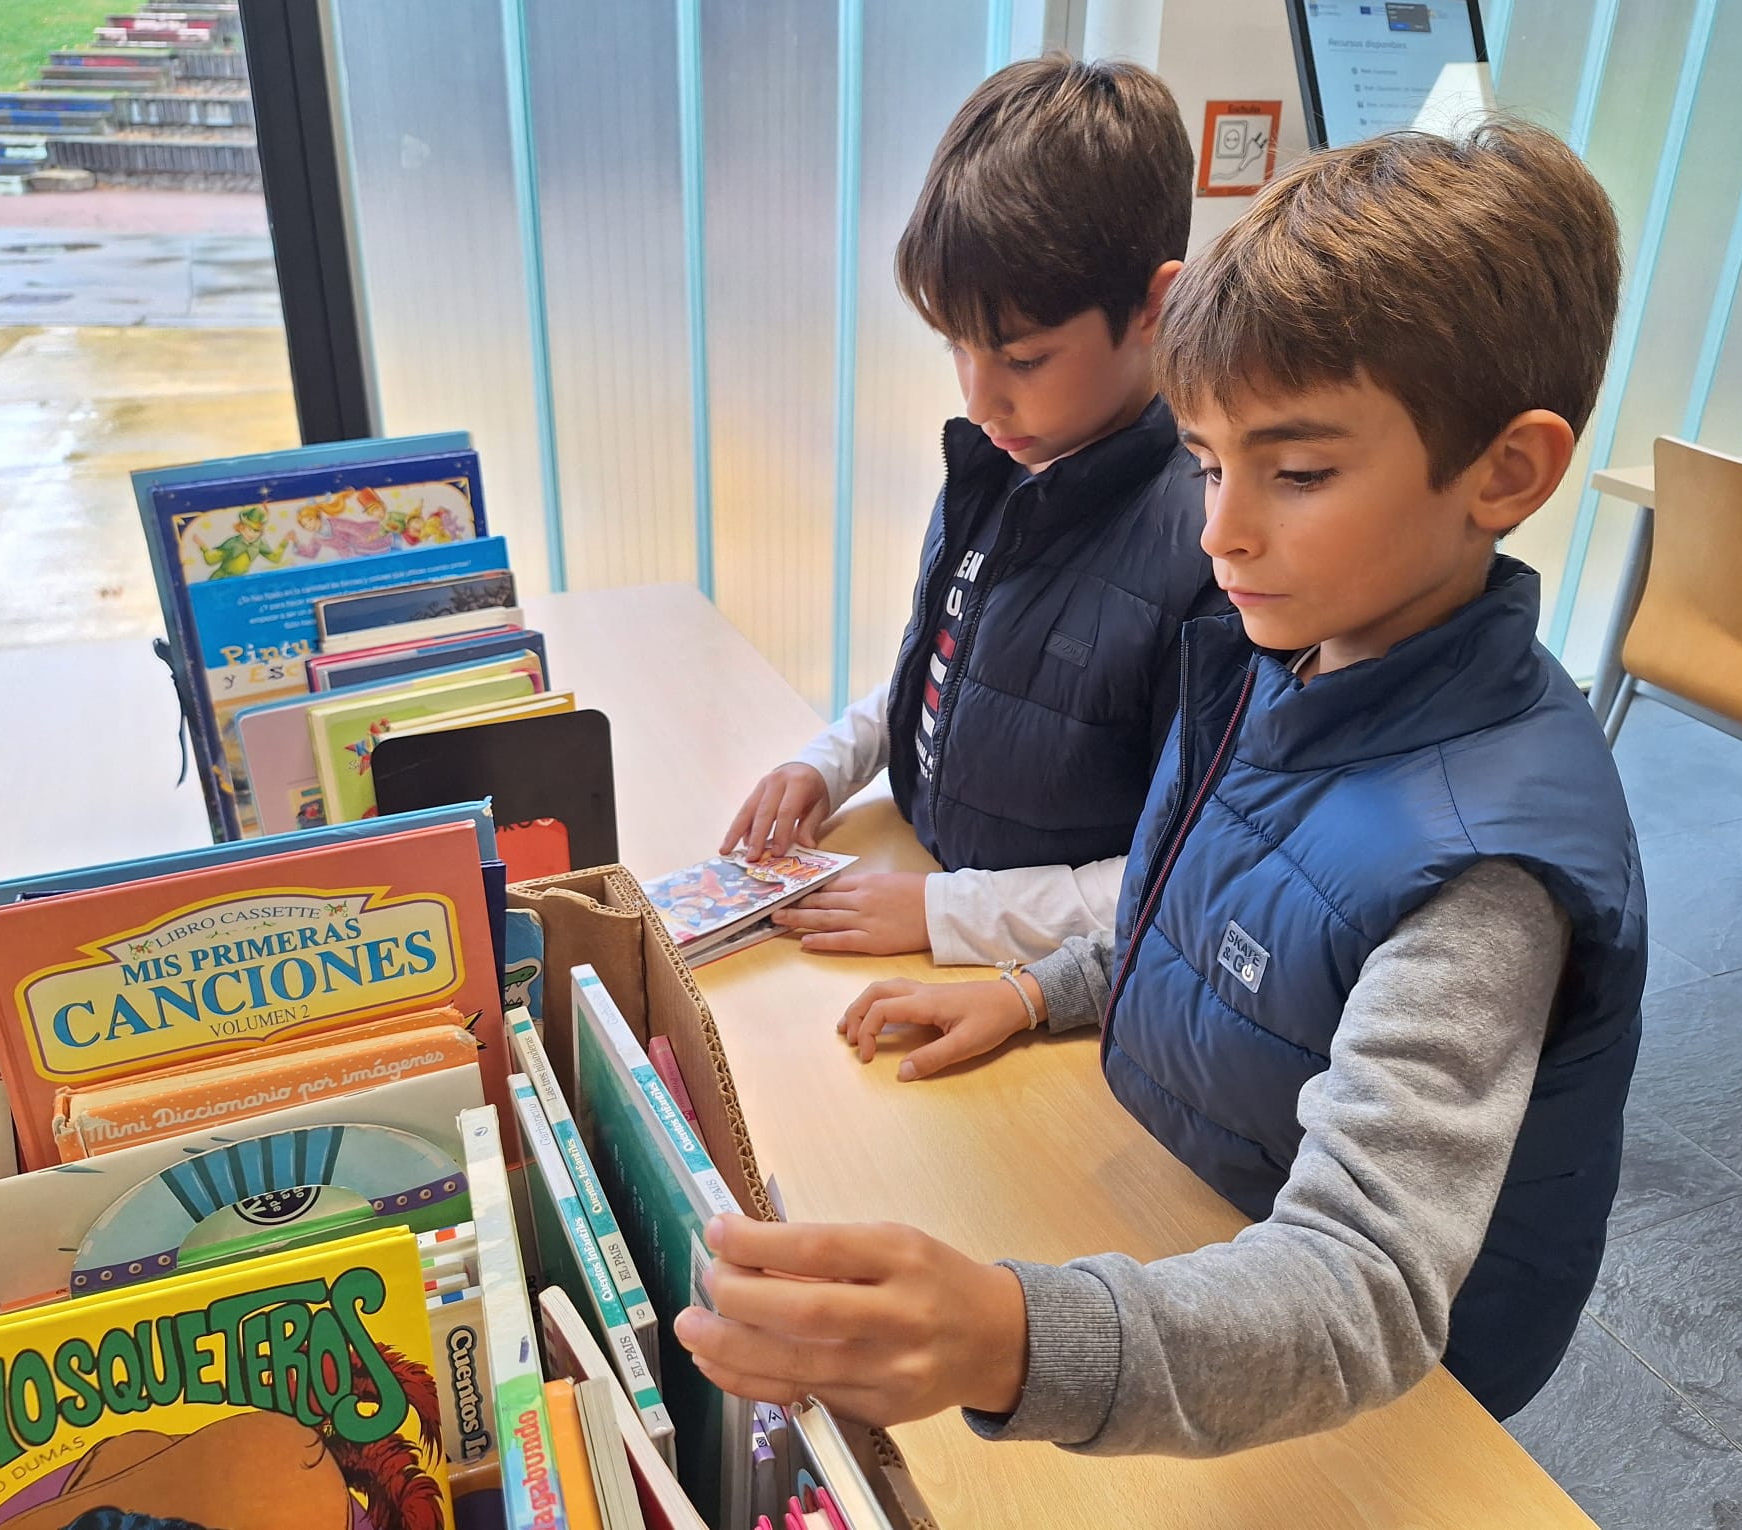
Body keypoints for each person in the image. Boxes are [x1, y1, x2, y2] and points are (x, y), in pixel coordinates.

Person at [677, 120, 1646, 1453]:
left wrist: (1007, 1337)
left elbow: (1362, 1287)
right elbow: (1215, 920)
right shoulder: (1285, 647)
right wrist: (1043, 988)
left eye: (1297, 473)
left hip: (1374, 1390)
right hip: (1198, 1211)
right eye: (1205, 465)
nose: (1221, 529)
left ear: (1507, 472)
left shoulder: (1485, 874)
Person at [720, 54, 1227, 965]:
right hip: (922, 878)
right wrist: (830, 762)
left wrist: (948, 916)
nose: (980, 400)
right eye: (956, 345)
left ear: (1157, 305)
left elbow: (1187, 868)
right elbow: (947, 665)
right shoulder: (1000, 459)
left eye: (1024, 359)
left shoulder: (1217, 543)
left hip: (1047, 982)